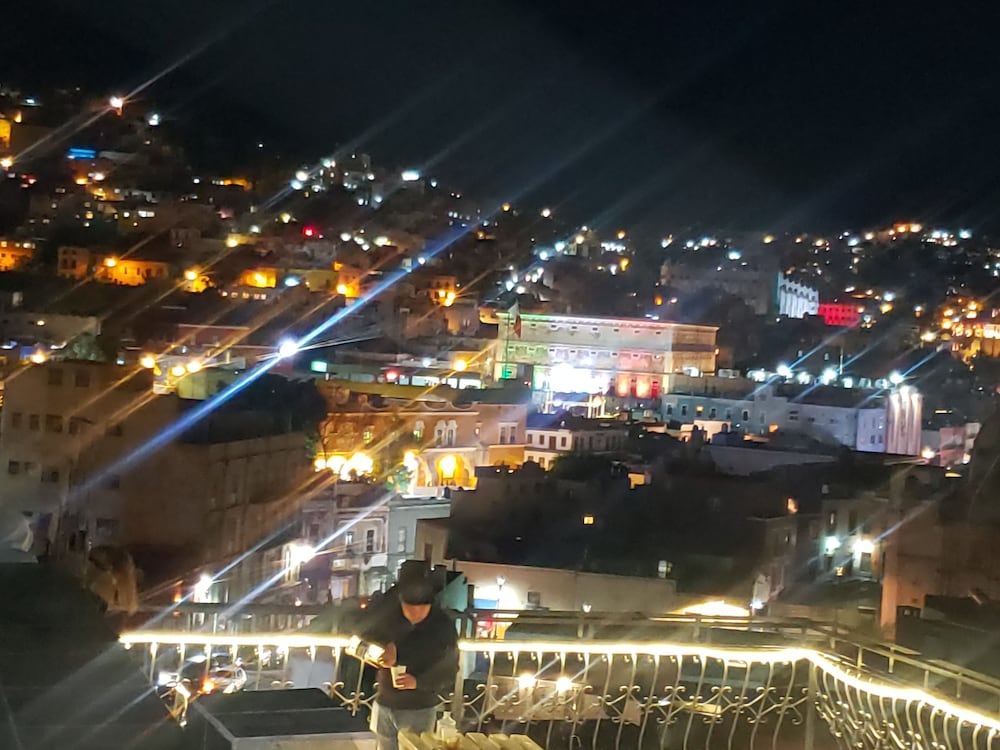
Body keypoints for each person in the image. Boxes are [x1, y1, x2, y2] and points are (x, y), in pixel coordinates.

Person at [361, 563, 458, 750]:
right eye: (409, 607)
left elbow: (450, 670)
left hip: (419, 709)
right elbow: (360, 638)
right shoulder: (388, 617)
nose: (415, 612)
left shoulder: (443, 627)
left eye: (421, 607)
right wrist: (380, 650)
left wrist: (418, 682)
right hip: (384, 703)